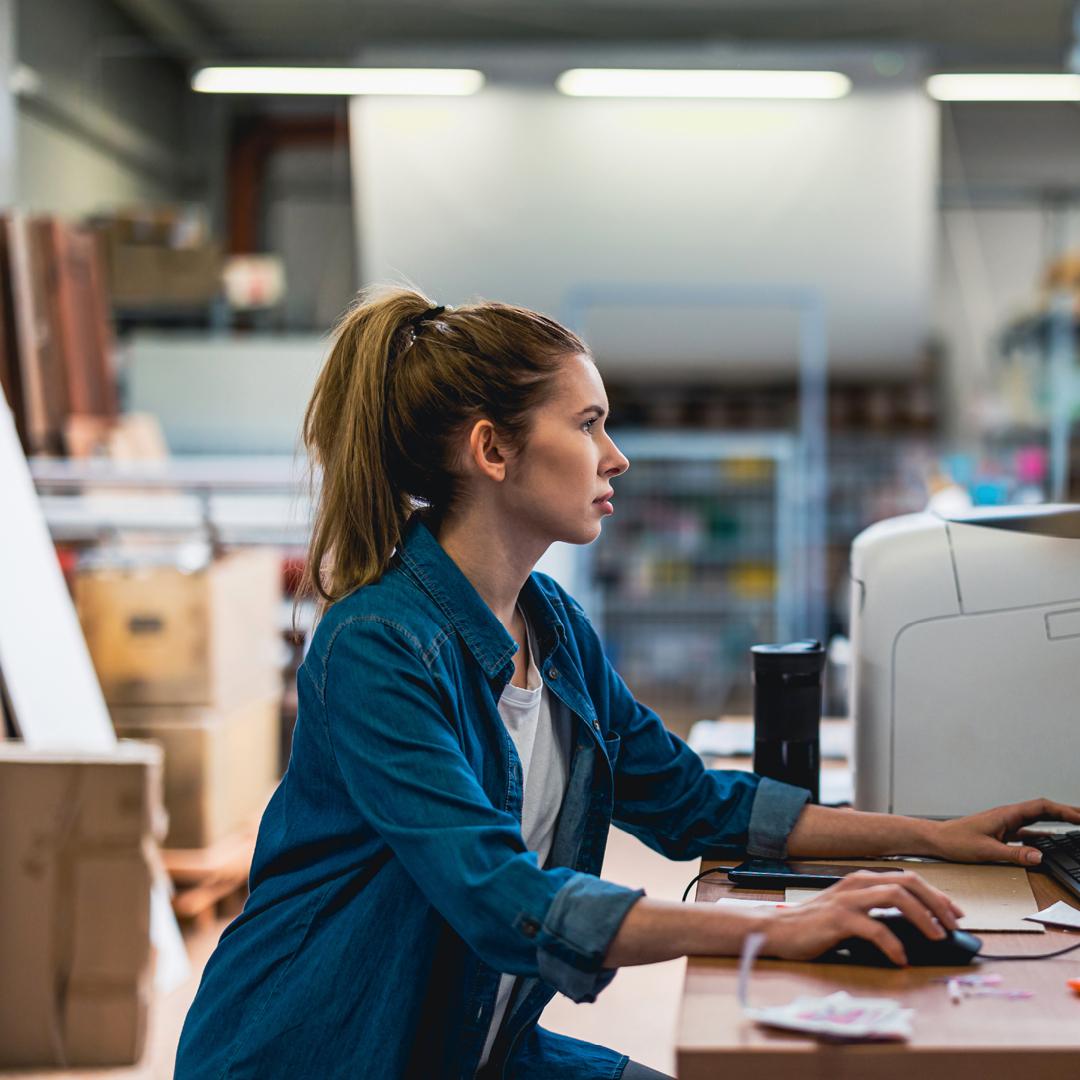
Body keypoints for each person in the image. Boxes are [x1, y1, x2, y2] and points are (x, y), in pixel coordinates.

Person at [175, 287, 1080, 1080]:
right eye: (588, 423)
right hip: (319, 1052)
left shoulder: (552, 629)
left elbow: (692, 802)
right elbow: (499, 898)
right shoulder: (377, 646)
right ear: (493, 451)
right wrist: (779, 928)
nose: (618, 457)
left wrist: (930, 836)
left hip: (468, 1045)